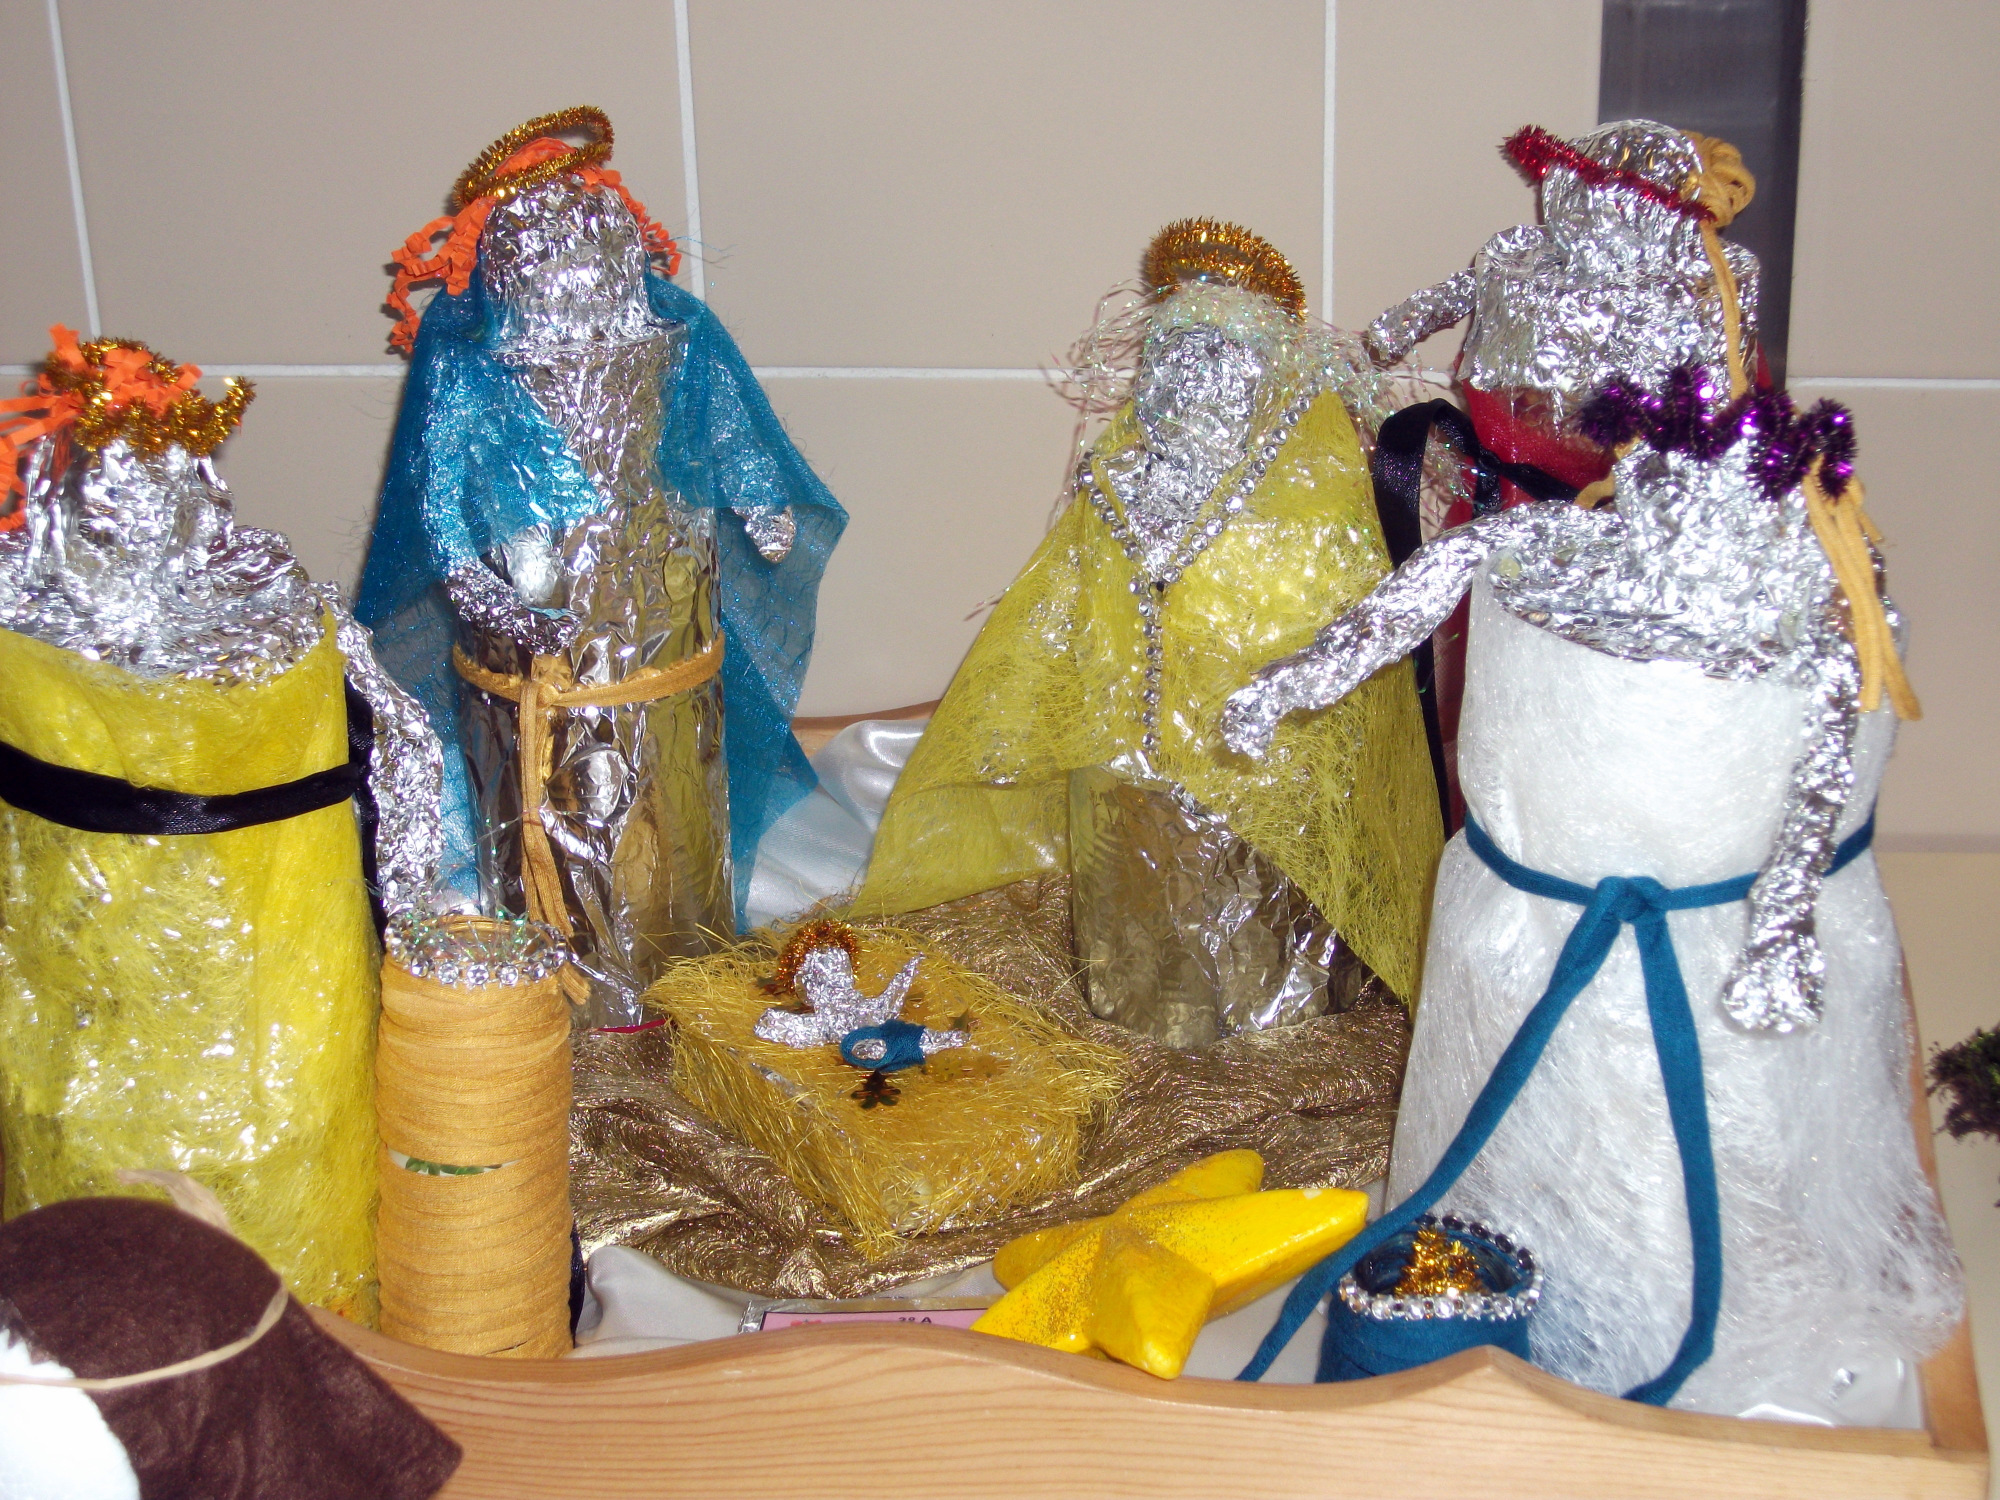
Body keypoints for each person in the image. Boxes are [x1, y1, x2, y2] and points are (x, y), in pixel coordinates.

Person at [857, 220, 1440, 1049]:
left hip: (1257, 804)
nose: (1185, 378)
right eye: (1171, 352)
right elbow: (1061, 612)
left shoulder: (1306, 503)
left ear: (1261, 372)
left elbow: (1343, 654)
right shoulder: (1116, 482)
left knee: (1255, 987)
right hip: (1126, 804)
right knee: (1134, 970)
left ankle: (1265, 1020)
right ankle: (1136, 1003)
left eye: (1217, 355)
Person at [357, 108, 846, 1026]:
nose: (576, 268)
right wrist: (478, 590)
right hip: (537, 670)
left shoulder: (669, 336)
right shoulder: (474, 366)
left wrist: (757, 499)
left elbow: (720, 418)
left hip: (666, 641)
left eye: (594, 249)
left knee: (674, 815)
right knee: (557, 829)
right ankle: (562, 989)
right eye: (554, 255)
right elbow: (440, 498)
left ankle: (678, 969)